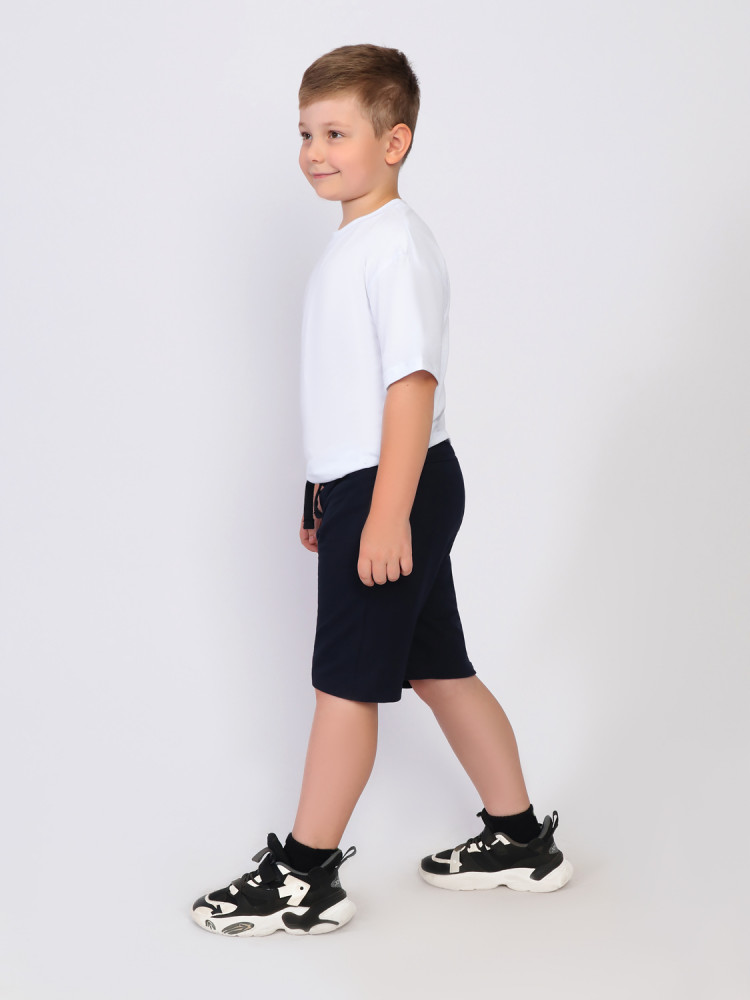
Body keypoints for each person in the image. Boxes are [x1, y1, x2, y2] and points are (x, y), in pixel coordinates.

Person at [191, 42, 573, 939]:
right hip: (374, 483)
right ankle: (520, 839)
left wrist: (387, 511)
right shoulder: (358, 241)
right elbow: (346, 386)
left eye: (337, 133)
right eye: (305, 133)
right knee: (440, 668)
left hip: (397, 486)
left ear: (394, 141)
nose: (314, 152)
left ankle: (304, 877)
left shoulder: (395, 246)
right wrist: (323, 489)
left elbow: (411, 385)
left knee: (344, 685)